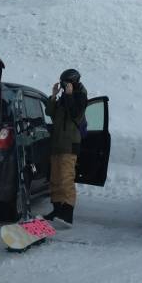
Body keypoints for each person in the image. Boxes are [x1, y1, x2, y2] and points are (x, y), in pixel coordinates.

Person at [44, 68, 88, 227]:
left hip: (69, 144)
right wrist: (54, 95)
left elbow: (76, 113)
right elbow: (50, 113)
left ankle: (67, 213)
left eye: (66, 83)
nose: (64, 85)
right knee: (55, 178)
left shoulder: (81, 96)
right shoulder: (63, 97)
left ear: (73, 81)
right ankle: (57, 209)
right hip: (57, 143)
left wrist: (69, 96)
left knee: (66, 178)